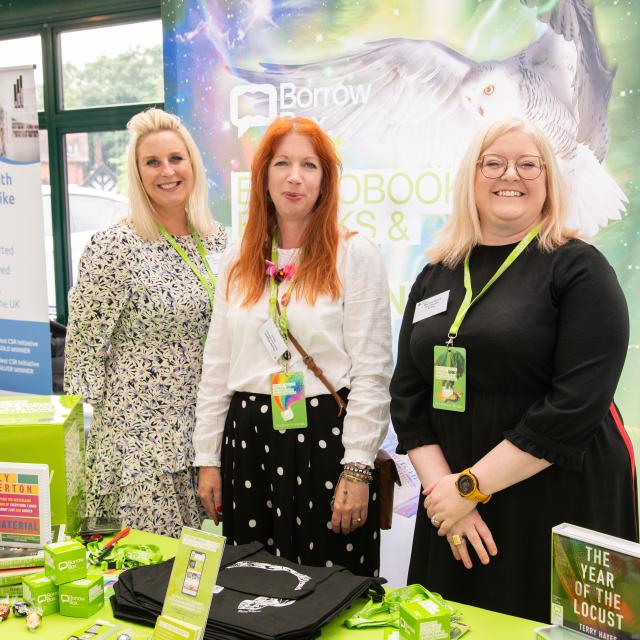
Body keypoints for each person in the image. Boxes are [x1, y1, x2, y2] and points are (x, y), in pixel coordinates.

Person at [390, 117, 638, 622]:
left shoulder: (579, 268)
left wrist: (469, 488)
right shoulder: (435, 272)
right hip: (455, 510)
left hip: (558, 495)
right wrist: (447, 500)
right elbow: (408, 396)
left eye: (530, 164)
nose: (513, 174)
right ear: (471, 177)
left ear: (549, 182)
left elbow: (576, 404)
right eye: (495, 162)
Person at [193, 116, 392, 576]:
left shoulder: (354, 254)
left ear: (326, 179)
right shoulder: (236, 262)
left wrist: (357, 467)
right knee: (252, 587)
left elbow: (373, 372)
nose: (294, 177)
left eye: (309, 165)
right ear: (262, 176)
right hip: (247, 442)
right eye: (281, 163)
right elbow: (217, 366)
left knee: (330, 586)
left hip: (325, 441)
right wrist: (207, 460)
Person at [64, 108, 227, 537]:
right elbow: (83, 354)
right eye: (152, 162)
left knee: (205, 584)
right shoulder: (115, 247)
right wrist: (96, 453)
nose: (167, 171)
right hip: (142, 450)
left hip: (208, 437)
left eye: (176, 158)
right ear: (137, 174)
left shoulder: (219, 241)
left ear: (192, 163)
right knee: (148, 582)